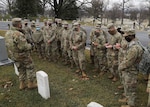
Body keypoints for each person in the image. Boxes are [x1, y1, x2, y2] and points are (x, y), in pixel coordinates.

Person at [5, 18, 37, 90]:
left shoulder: (8, 33)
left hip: (13, 55)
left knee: (21, 69)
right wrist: (31, 46)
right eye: (21, 23)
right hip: (22, 55)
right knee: (30, 67)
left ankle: (22, 84)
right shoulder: (18, 34)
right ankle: (31, 83)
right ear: (19, 24)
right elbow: (23, 47)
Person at [118, 29, 144, 107]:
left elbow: (129, 62)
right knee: (127, 86)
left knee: (130, 89)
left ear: (130, 36)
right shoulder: (133, 44)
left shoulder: (134, 48)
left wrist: (120, 67)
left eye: (126, 36)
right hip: (129, 70)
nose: (124, 37)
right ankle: (127, 99)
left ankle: (130, 104)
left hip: (131, 71)